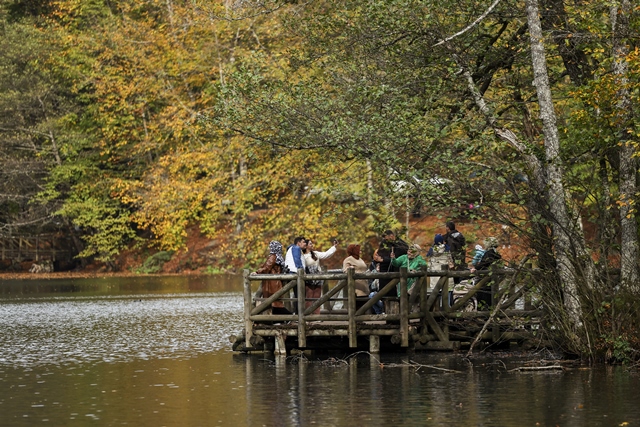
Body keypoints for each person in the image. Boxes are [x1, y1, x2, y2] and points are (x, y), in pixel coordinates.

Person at [253, 241, 289, 314]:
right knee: (275, 303)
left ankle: (290, 316)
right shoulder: (279, 257)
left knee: (274, 304)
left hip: (272, 283)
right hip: (277, 282)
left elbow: (267, 267)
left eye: (270, 247)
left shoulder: (273, 257)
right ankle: (280, 320)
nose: (269, 248)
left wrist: (257, 272)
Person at [303, 238, 338, 314]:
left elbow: (326, 255)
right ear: (306, 246)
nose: (312, 245)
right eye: (310, 243)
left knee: (317, 297)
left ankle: (316, 315)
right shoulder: (302, 256)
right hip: (308, 277)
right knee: (309, 297)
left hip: (318, 276)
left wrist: (333, 247)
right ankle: (308, 315)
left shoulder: (315, 253)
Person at [470, 237, 502, 309]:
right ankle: (490, 310)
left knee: (482, 294)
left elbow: (484, 263)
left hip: (485, 278)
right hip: (492, 279)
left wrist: (476, 267)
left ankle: (483, 312)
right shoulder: (495, 252)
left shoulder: (489, 253)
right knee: (491, 295)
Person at [285, 236, 307, 313]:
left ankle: (297, 313)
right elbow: (296, 259)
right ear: (298, 243)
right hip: (295, 273)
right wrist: (301, 269)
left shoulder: (292, 249)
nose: (305, 244)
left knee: (298, 294)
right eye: (303, 242)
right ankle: (299, 314)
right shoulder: (296, 248)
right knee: (300, 294)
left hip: (292, 273)